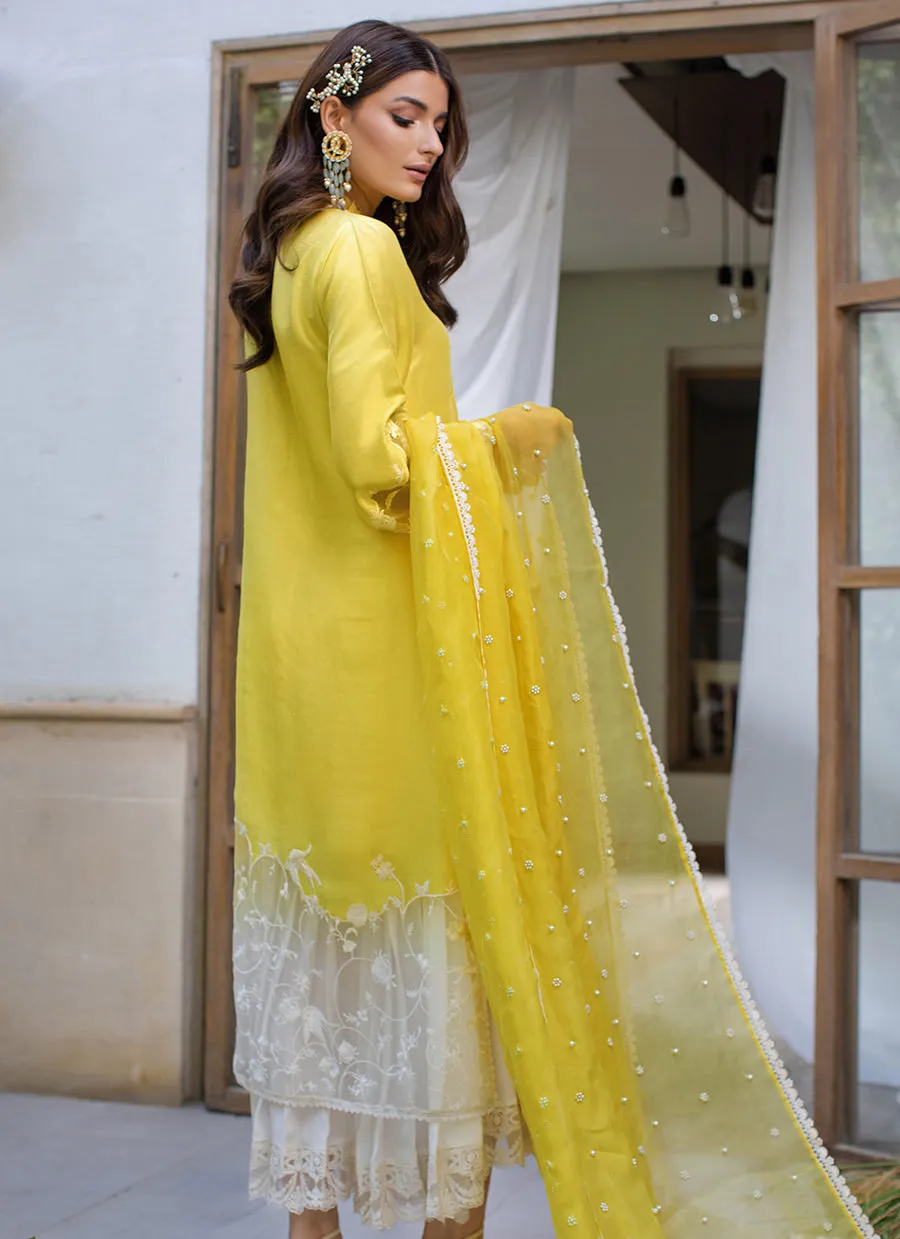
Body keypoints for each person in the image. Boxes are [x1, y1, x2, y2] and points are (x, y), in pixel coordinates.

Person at [228, 19, 876, 1239]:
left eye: (439, 125)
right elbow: (381, 464)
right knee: (440, 986)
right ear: (333, 118)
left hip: (297, 683)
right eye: (403, 118)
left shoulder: (292, 258)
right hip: (396, 678)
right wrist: (513, 442)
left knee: (329, 999)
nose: (428, 146)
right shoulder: (362, 253)